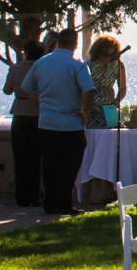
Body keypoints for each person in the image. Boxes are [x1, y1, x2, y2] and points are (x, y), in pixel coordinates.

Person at [21, 29, 96, 216]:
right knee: (69, 167)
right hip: (71, 123)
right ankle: (63, 203)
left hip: (47, 123)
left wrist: (40, 102)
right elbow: (89, 90)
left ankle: (49, 203)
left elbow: (24, 89)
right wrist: (84, 111)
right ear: (75, 43)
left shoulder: (41, 63)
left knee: (49, 165)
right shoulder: (77, 65)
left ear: (57, 42)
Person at [79, 34, 130, 208]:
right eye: (104, 54)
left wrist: (117, 100)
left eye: (111, 54)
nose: (108, 58)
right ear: (97, 53)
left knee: (112, 144)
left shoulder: (118, 65)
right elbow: (83, 88)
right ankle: (90, 184)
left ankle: (109, 186)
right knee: (93, 144)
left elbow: (122, 88)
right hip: (92, 110)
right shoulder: (88, 66)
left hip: (109, 109)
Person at [2, 38, 44, 208]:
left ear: (25, 52)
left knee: (20, 158)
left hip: (19, 114)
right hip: (38, 114)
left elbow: (7, 90)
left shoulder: (15, 68)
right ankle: (34, 197)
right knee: (36, 159)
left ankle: (21, 196)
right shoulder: (42, 69)